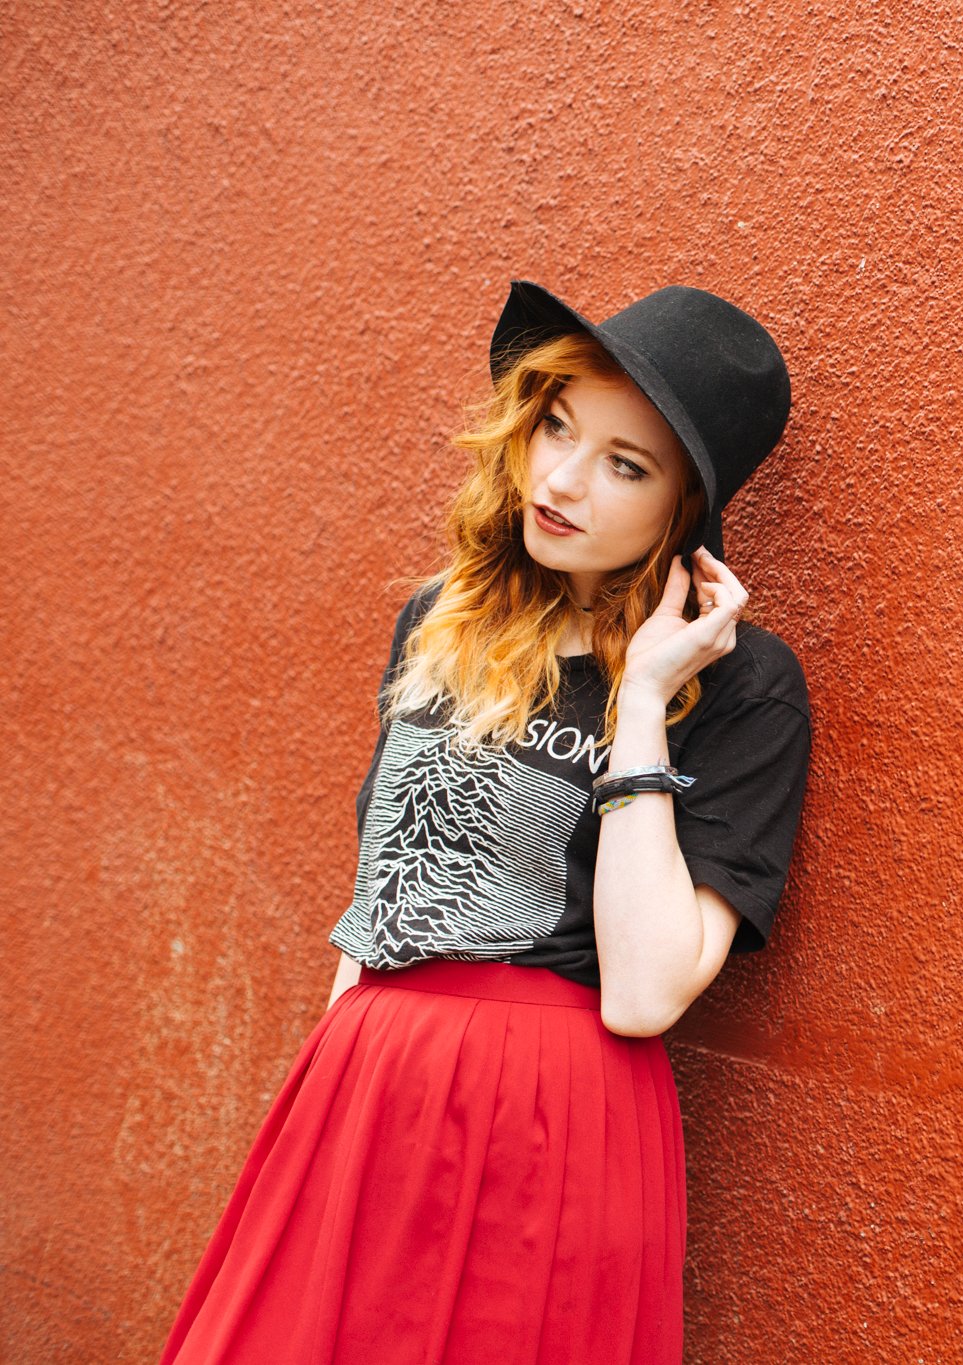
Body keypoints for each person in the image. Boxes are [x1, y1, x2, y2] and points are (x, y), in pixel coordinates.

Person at [157, 280, 813, 1364]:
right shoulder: (443, 619)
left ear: (682, 507)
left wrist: (642, 704)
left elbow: (647, 993)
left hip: (548, 1119)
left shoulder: (739, 690)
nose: (561, 478)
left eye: (625, 463)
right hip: (365, 1084)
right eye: (557, 425)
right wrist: (332, 1090)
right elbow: (381, 888)